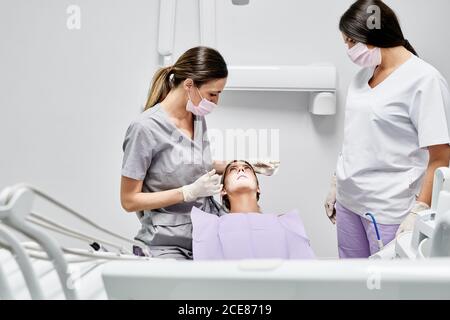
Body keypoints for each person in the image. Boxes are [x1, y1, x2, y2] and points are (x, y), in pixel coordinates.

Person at [120, 46, 278, 259]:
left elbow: (193, 163)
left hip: (206, 232)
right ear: (189, 85)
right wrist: (186, 192)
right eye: (212, 94)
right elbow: (129, 200)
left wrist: (242, 163)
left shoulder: (195, 116)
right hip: (166, 243)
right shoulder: (145, 129)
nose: (215, 102)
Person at [325, 0, 450, 258]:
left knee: (382, 289)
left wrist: (420, 209)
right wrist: (337, 182)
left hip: (387, 209)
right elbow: (354, 137)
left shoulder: (424, 80)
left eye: (350, 41)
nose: (348, 49)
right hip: (349, 202)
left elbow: (441, 156)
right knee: (350, 282)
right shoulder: (362, 77)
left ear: (372, 34)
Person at [191, 160, 314, 260]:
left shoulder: (287, 223)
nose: (241, 169)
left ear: (258, 188)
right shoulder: (210, 227)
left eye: (247, 168)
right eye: (233, 169)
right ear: (223, 190)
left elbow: (306, 272)